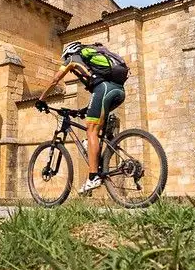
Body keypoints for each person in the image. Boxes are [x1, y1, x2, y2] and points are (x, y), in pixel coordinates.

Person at [35, 41, 127, 194]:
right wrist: (84, 110)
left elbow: (55, 80)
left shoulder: (72, 59)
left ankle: (93, 177)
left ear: (68, 54)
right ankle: (97, 144)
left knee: (91, 130)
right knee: (94, 125)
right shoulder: (93, 60)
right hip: (118, 91)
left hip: (103, 89)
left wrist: (41, 99)